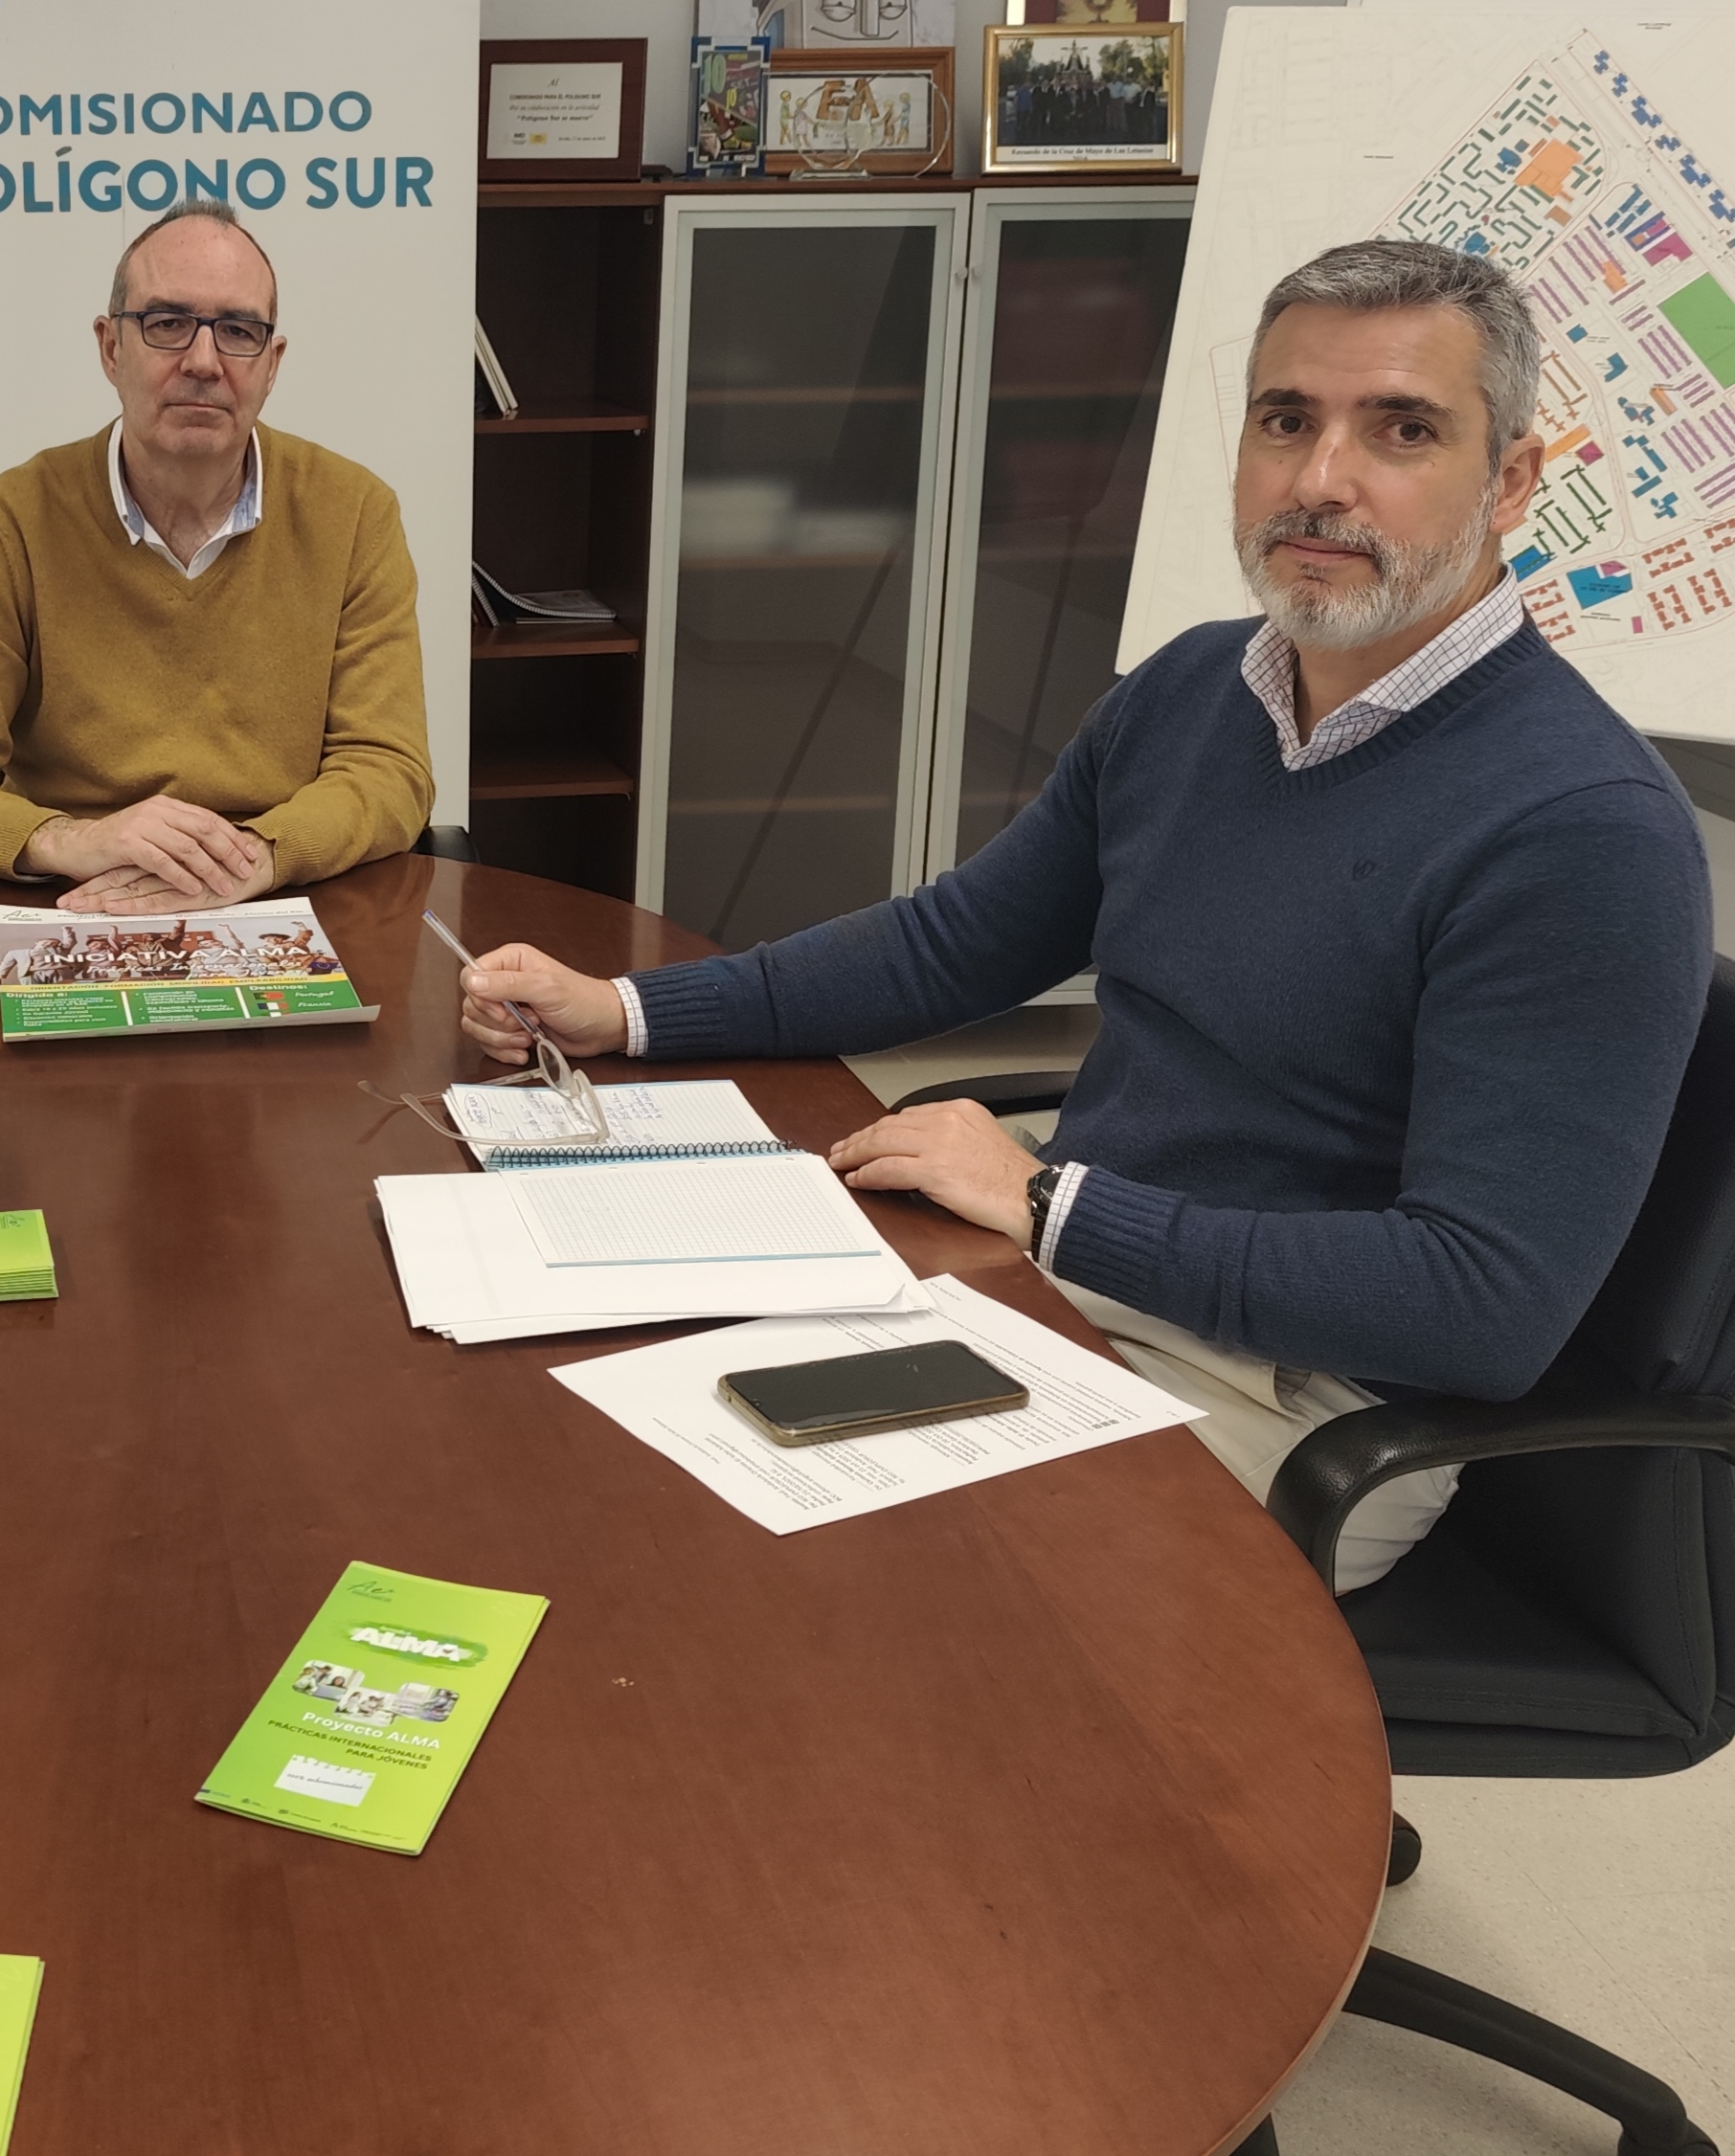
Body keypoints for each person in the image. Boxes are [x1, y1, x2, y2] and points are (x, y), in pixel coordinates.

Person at [453, 238, 1712, 1591]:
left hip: (1291, 1398)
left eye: (1402, 430)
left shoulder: (1580, 829)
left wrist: (1052, 1203)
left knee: (792, 1576)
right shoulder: (1196, 689)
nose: (1320, 479)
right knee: (596, 1414)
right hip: (1063, 1283)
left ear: (1510, 480)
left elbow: (1480, 1307)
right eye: (1286, 420)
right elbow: (956, 942)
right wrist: (627, 1009)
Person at [0, 199, 433, 917]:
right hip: (76, 899)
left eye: (238, 331)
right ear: (110, 348)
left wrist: (250, 857)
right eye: (167, 324)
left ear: (272, 364)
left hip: (276, 892)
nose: (204, 362)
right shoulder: (15, 518)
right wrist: (70, 839)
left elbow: (390, 770)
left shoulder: (353, 513)